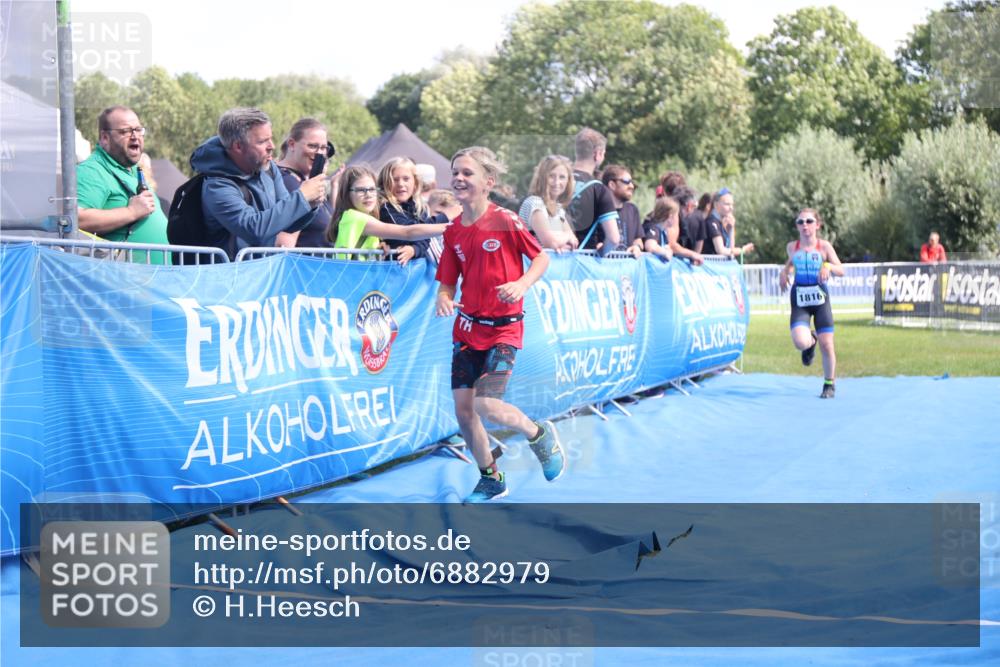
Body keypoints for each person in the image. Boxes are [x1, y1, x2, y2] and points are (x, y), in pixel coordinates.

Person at [435, 146, 565, 502]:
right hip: (467, 330)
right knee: (464, 413)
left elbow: (540, 258)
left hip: (504, 330)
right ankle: (491, 478)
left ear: (488, 182)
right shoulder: (453, 232)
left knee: (487, 405)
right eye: (455, 172)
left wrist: (521, 284)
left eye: (467, 173)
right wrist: (444, 298)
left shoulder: (505, 220)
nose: (459, 178)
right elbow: (447, 282)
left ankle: (537, 433)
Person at [189, 108, 327, 256]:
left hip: (262, 272)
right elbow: (253, 229)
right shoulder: (217, 185)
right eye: (262, 141)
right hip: (230, 275)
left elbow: (287, 223)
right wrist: (302, 197)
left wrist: (310, 205)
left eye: (270, 138)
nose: (272, 146)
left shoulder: (269, 168)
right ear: (238, 146)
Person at [76, 106, 169, 263]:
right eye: (125, 131)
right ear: (105, 138)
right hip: (127, 280)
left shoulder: (132, 170)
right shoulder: (92, 170)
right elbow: (77, 219)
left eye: (138, 130)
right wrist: (131, 211)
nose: (135, 136)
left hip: (153, 278)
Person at [778, 208, 845, 399]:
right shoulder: (792, 246)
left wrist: (828, 266)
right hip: (800, 300)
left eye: (808, 221)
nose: (804, 225)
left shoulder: (824, 247)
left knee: (827, 344)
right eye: (800, 222)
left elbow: (841, 270)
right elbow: (790, 264)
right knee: (800, 342)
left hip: (820, 299)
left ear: (817, 225)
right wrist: (784, 273)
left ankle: (829, 384)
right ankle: (810, 341)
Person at [326, 165, 448, 259]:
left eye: (372, 189)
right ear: (347, 194)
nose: (368, 195)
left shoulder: (364, 217)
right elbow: (407, 232)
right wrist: (450, 225)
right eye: (361, 190)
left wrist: (379, 245)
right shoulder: (355, 217)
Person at [274, 117, 336, 248]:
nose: (319, 153)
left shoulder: (303, 181)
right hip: (302, 267)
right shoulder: (285, 181)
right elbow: (283, 244)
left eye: (323, 148)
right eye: (312, 146)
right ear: (291, 144)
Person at [378, 157, 447, 265]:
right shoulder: (385, 208)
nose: (401, 184)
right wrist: (445, 216)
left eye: (406, 179)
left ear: (415, 183)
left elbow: (425, 236)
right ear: (385, 183)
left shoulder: (420, 207)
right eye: (395, 179)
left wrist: (415, 249)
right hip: (391, 271)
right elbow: (411, 232)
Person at [569, 128, 621, 252]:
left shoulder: (554, 180)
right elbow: (614, 239)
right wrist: (602, 252)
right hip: (582, 260)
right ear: (597, 154)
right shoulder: (598, 189)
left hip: (550, 260)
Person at [517, 155, 579, 252]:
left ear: (568, 181)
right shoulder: (535, 203)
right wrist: (566, 236)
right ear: (542, 178)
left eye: (562, 177)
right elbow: (551, 242)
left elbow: (574, 241)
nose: (557, 182)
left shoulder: (558, 209)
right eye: (551, 176)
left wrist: (561, 242)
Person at [643, 196, 705, 265]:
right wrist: (664, 252)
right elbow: (650, 246)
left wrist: (690, 256)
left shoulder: (663, 232)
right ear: (670, 216)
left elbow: (671, 248)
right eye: (676, 215)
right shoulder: (653, 228)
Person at [602, 165, 645, 257]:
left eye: (632, 182)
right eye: (626, 182)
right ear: (612, 185)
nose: (632, 186)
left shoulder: (632, 210)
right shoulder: (598, 210)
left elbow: (638, 239)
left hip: (626, 269)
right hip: (604, 268)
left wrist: (636, 247)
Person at [702, 188, 754, 259]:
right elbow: (720, 250)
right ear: (716, 205)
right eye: (727, 204)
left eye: (732, 205)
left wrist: (731, 229)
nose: (731, 208)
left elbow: (730, 250)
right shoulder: (711, 222)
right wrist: (742, 250)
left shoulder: (719, 222)